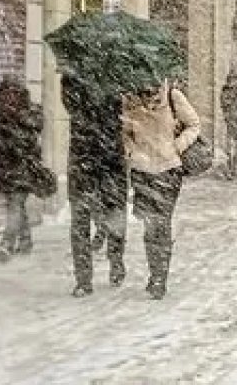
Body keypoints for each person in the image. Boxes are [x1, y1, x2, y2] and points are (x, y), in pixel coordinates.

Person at [120, 79, 201, 300]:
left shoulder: (173, 96)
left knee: (161, 223)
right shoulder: (130, 100)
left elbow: (194, 125)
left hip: (168, 170)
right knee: (149, 225)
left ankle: (159, 278)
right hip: (143, 171)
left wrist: (177, 145)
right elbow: (124, 132)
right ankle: (154, 271)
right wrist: (131, 151)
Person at [61, 69, 128, 297]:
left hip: (107, 160)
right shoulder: (74, 76)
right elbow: (70, 105)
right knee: (82, 219)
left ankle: (115, 260)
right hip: (86, 160)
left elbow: (125, 112)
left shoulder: (120, 76)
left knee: (113, 214)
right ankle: (84, 278)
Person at [0, 77, 44, 261]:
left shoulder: (32, 111)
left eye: (13, 93)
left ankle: (7, 243)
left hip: (25, 167)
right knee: (16, 206)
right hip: (6, 168)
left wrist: (13, 128)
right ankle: (26, 241)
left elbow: (33, 133)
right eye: (5, 94)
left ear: (20, 94)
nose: (9, 97)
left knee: (15, 205)